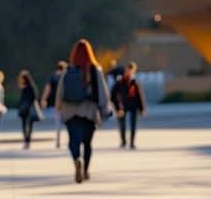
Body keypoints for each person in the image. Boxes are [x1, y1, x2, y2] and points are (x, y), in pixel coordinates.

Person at [55, 39, 111, 184]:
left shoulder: (68, 70)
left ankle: (76, 160)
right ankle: (85, 170)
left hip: (70, 112)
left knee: (73, 141)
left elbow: (61, 90)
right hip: (89, 112)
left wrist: (58, 105)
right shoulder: (95, 69)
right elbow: (103, 92)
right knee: (87, 143)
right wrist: (105, 109)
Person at [112, 61, 147, 149]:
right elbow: (112, 95)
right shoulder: (120, 82)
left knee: (133, 124)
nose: (130, 72)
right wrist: (117, 107)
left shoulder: (134, 82)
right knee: (122, 124)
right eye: (128, 70)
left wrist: (142, 108)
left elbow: (139, 96)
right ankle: (123, 141)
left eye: (132, 70)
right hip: (122, 106)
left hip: (133, 105)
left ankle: (132, 142)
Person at [40, 61, 67, 148]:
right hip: (67, 102)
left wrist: (44, 99)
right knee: (68, 122)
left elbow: (48, 88)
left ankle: (58, 140)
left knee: (58, 122)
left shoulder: (53, 77)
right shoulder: (67, 76)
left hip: (56, 103)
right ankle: (70, 139)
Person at [16, 70, 40, 149]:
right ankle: (26, 140)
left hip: (28, 108)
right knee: (25, 125)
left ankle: (27, 141)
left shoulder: (29, 87)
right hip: (25, 108)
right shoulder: (27, 87)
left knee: (28, 125)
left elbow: (34, 97)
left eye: (22, 78)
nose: (21, 80)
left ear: (25, 79)